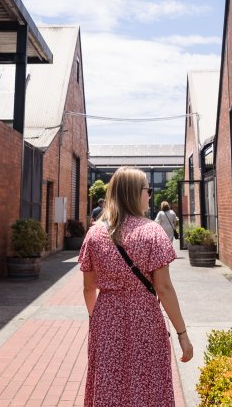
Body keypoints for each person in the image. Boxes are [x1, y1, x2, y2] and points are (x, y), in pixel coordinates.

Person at [78, 167, 192, 406]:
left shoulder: (94, 234)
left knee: (108, 384)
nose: (150, 195)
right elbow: (164, 289)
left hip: (106, 318)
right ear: (133, 193)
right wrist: (182, 334)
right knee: (149, 383)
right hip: (146, 319)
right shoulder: (152, 232)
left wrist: (96, 317)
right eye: (147, 190)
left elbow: (89, 288)